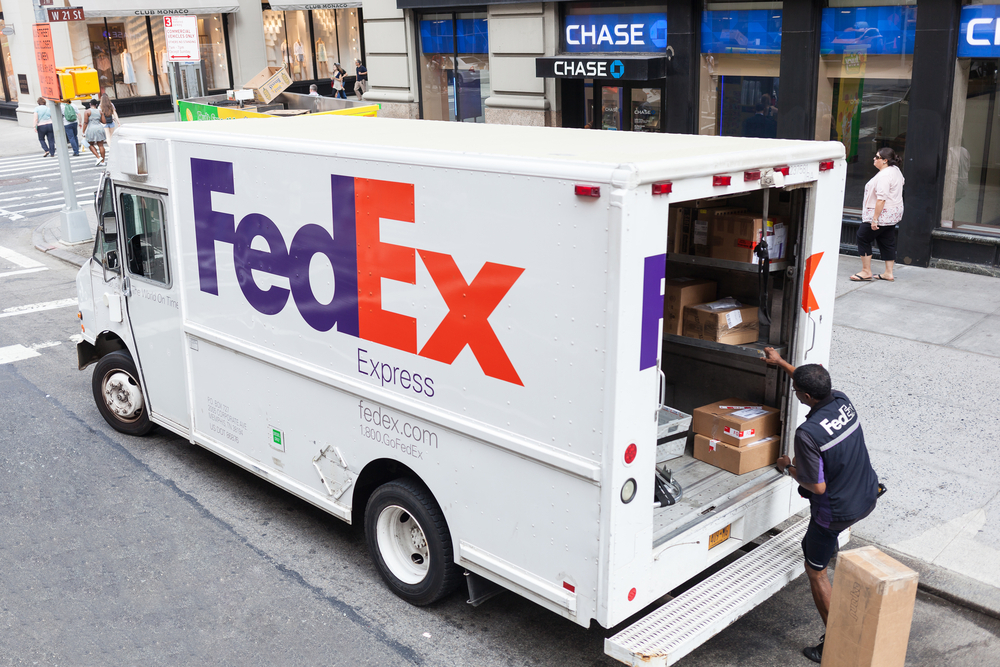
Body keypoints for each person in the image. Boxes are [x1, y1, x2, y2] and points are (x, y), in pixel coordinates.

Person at [763, 348, 881, 664]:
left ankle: (837, 644)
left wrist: (787, 467)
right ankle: (826, 551)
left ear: (805, 397)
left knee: (815, 572)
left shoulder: (808, 433)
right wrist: (783, 364)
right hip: (866, 492)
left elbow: (816, 486)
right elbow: (808, 380)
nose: (795, 394)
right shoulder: (842, 401)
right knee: (816, 546)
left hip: (836, 510)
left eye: (796, 392)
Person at [850, 147, 904, 282]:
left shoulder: (884, 176)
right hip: (893, 214)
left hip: (881, 215)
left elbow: (881, 199)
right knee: (887, 240)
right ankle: (888, 272)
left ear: (885, 160)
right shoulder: (895, 170)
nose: (874, 159)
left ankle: (866, 271)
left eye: (877, 157)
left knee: (862, 237)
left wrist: (875, 219)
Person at [82, 99, 107, 166]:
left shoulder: (87, 111)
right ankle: (103, 161)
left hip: (91, 129)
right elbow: (104, 122)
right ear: (97, 105)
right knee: (101, 145)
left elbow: (85, 122)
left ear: (90, 104)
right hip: (99, 128)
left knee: (90, 144)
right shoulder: (100, 111)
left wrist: (83, 131)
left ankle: (98, 157)